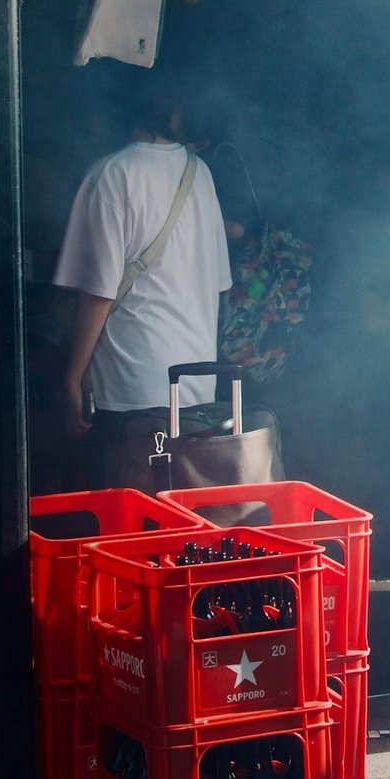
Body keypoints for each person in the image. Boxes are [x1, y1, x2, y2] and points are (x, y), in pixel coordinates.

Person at [53, 70, 232, 491]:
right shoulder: (199, 172)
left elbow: (97, 292)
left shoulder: (112, 174)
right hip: (193, 384)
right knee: (179, 524)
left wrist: (71, 375)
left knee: (130, 520)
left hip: (131, 389)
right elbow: (219, 284)